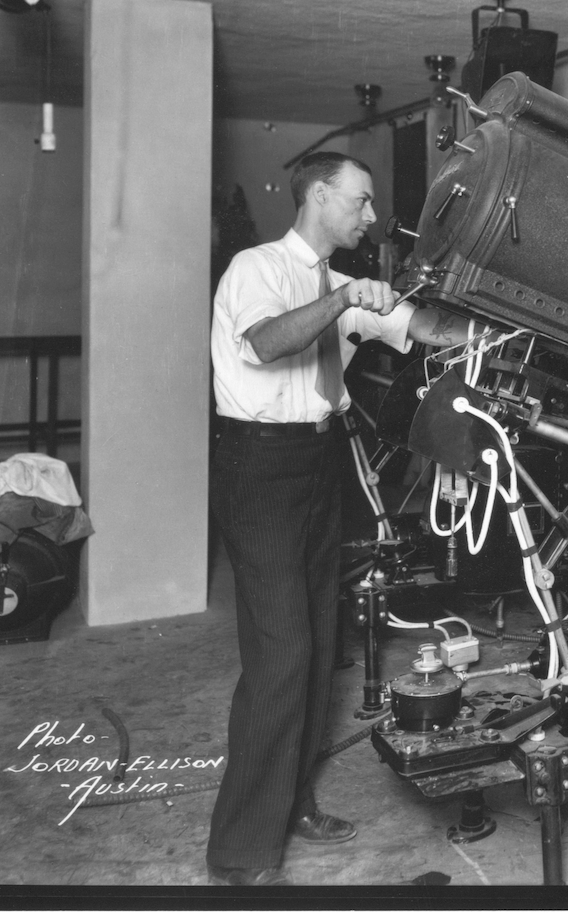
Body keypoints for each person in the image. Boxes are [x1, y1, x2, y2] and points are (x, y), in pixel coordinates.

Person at [206, 151, 471, 886]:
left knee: (320, 647)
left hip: (320, 463)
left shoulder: (345, 289)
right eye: (358, 201)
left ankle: (291, 805)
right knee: (282, 649)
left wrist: (491, 322)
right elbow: (265, 342)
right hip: (259, 466)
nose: (367, 214)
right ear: (319, 196)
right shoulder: (256, 268)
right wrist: (346, 296)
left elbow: (426, 330)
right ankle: (239, 847)